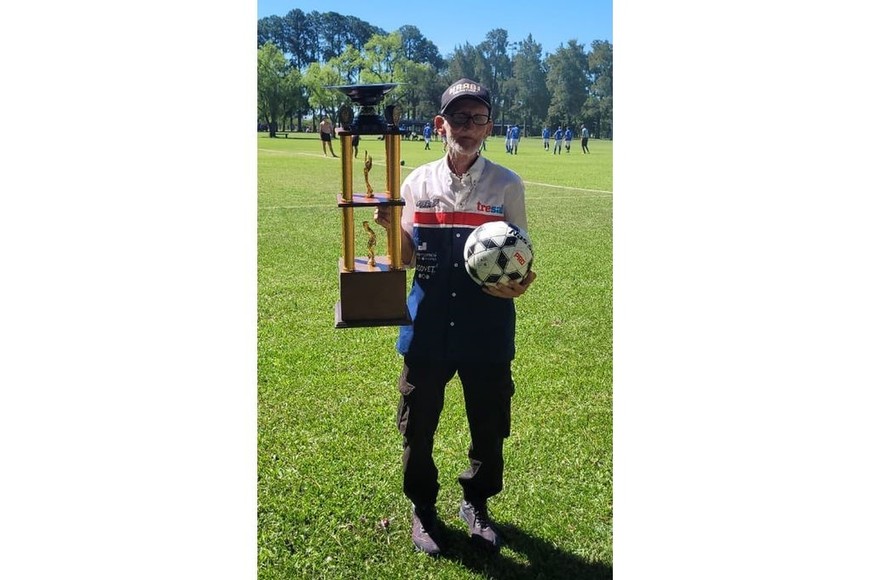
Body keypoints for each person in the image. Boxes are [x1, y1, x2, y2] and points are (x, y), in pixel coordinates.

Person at [374, 77, 536, 557]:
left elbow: (519, 259)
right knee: (418, 424)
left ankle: (477, 505)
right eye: (458, 118)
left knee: (488, 424)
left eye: (478, 118)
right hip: (424, 327)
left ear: (489, 126)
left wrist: (522, 283)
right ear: (440, 124)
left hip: (486, 331)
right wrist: (389, 227)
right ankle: (423, 508)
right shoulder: (416, 183)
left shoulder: (507, 184)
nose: (468, 127)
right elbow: (404, 259)